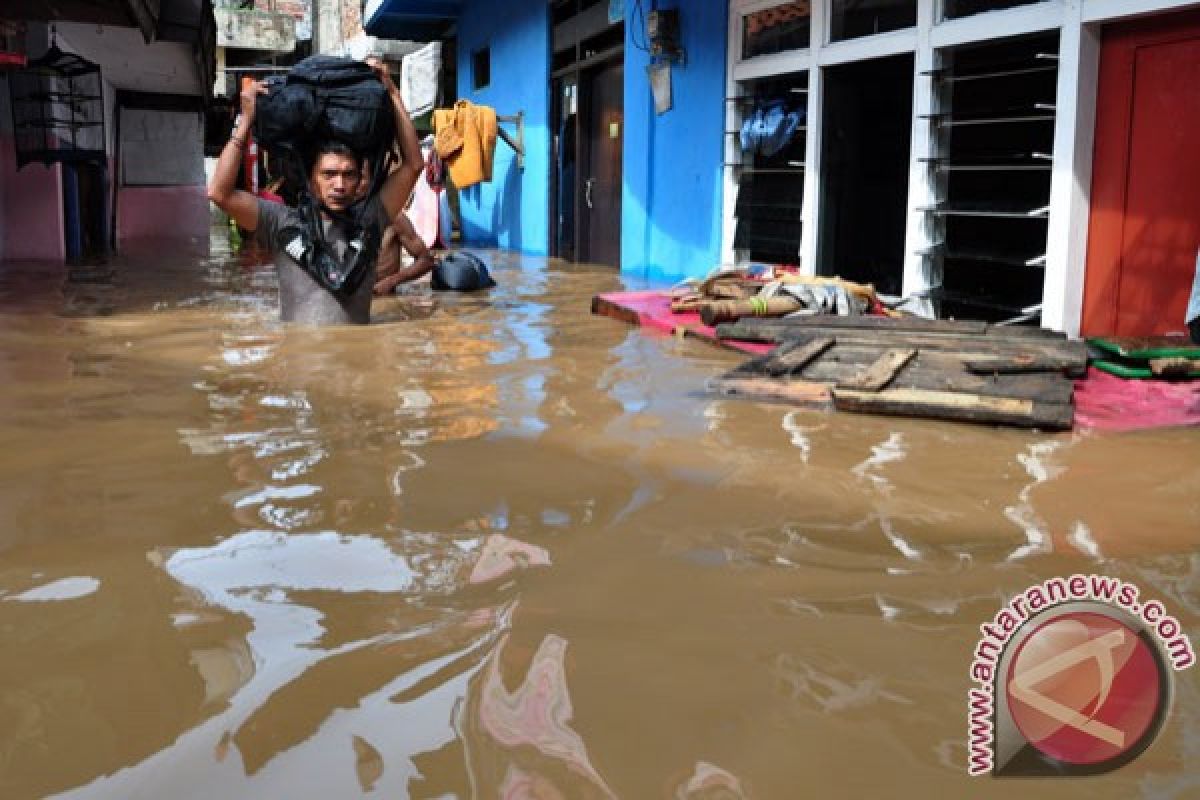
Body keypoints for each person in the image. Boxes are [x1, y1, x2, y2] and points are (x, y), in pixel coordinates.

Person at [207, 58, 421, 325]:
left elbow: (413, 165)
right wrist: (246, 120)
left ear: (358, 181)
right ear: (311, 180)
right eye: (329, 175)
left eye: (348, 175)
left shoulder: (371, 220)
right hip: (298, 362)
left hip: (355, 362)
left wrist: (392, 91)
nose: (339, 185)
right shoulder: (280, 222)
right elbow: (219, 193)